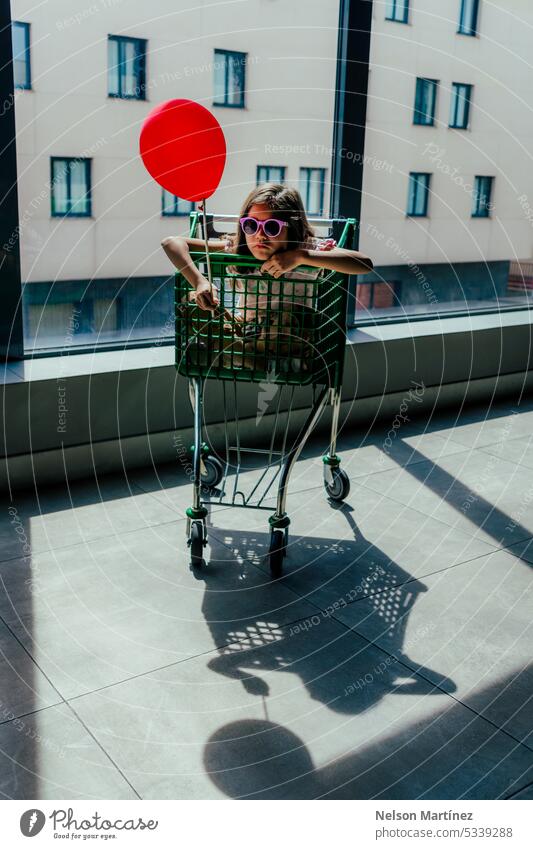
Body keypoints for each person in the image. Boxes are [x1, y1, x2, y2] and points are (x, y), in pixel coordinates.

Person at [161, 183, 373, 369]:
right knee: (190, 301)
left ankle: (235, 354)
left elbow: (364, 263)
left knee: (286, 318)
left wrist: (301, 256)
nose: (259, 234)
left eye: (272, 227)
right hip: (246, 329)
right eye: (251, 225)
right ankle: (246, 355)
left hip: (290, 335)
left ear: (292, 228)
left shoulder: (305, 248)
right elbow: (172, 243)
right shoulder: (238, 247)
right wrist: (200, 282)